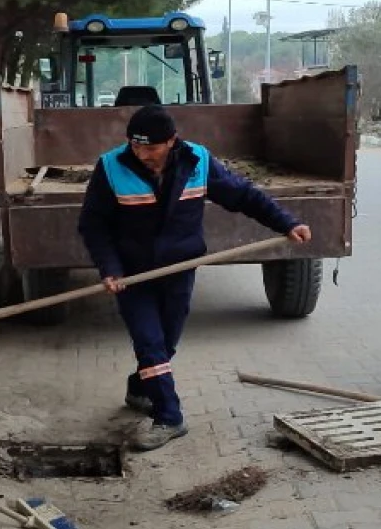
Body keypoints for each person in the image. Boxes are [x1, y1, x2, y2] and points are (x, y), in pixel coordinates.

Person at [78, 104, 312, 451]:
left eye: (151, 148)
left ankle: (141, 385)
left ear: (171, 141)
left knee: (166, 343)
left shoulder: (198, 161)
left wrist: (287, 223)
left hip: (179, 270)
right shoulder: (111, 166)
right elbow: (93, 225)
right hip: (132, 275)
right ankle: (169, 418)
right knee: (150, 342)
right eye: (135, 146)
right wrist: (110, 268)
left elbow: (244, 196)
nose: (142, 154)